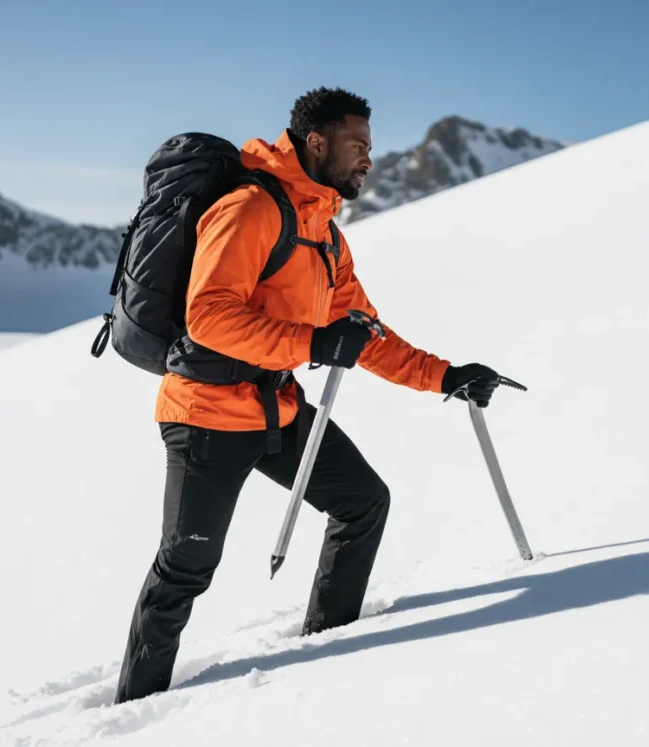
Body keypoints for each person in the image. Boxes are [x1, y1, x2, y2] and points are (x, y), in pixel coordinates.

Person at [114, 87, 502, 704]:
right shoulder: (249, 210)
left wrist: (446, 376)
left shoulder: (324, 233)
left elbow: (364, 335)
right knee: (186, 569)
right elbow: (209, 318)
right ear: (316, 142)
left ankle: (329, 649)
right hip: (207, 414)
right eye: (358, 145)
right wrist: (315, 342)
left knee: (362, 503)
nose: (368, 159)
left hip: (276, 408)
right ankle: (133, 707)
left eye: (369, 147)